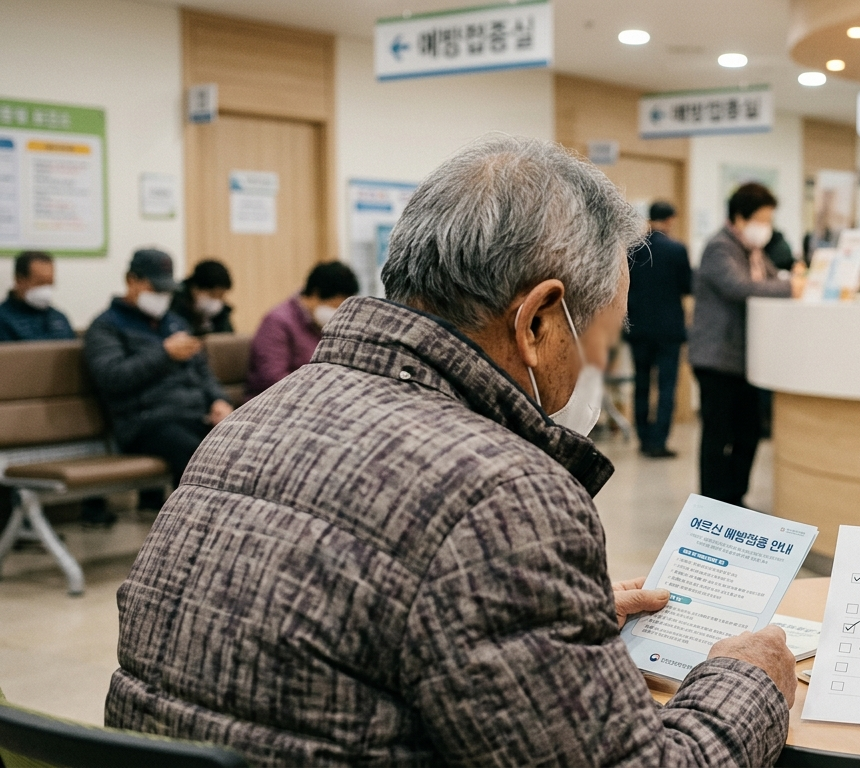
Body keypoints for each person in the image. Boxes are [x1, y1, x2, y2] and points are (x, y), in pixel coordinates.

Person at [106, 136, 796, 767]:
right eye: (603, 341)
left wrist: (547, 622)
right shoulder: (501, 496)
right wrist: (744, 680)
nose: (599, 363)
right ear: (536, 322)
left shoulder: (251, 422)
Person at [84, 249, 232, 505]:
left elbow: (202, 372)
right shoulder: (105, 327)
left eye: (166, 290)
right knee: (199, 456)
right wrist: (164, 353)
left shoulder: (174, 323)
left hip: (192, 415)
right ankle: (191, 526)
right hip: (145, 423)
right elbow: (113, 377)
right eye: (156, 288)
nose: (162, 297)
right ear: (132, 280)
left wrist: (218, 401)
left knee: (241, 444)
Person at [690, 182, 803, 507]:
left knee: (748, 431)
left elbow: (772, 279)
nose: (766, 228)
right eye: (762, 219)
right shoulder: (720, 247)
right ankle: (713, 502)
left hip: (744, 360)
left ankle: (735, 495)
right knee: (718, 434)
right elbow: (739, 287)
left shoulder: (752, 252)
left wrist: (790, 278)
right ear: (740, 217)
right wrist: (790, 288)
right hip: (716, 358)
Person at [624, 200, 691, 458]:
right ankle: (659, 441)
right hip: (668, 330)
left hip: (638, 328)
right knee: (666, 387)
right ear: (671, 220)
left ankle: (642, 438)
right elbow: (687, 286)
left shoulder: (633, 249)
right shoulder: (676, 250)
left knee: (641, 383)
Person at [245, 261, 359, 396]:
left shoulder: (324, 324)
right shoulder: (277, 322)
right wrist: (322, 392)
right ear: (316, 294)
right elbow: (273, 379)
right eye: (334, 307)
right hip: (276, 402)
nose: (337, 313)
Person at [0, 251, 75, 341]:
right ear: (19, 280)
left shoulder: (59, 318)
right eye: (40, 283)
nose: (46, 289)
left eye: (50, 283)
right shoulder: (3, 319)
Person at [171, 259, 234, 336]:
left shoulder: (221, 314)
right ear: (195, 289)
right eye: (212, 295)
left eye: (220, 296)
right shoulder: (175, 306)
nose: (216, 301)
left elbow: (227, 338)